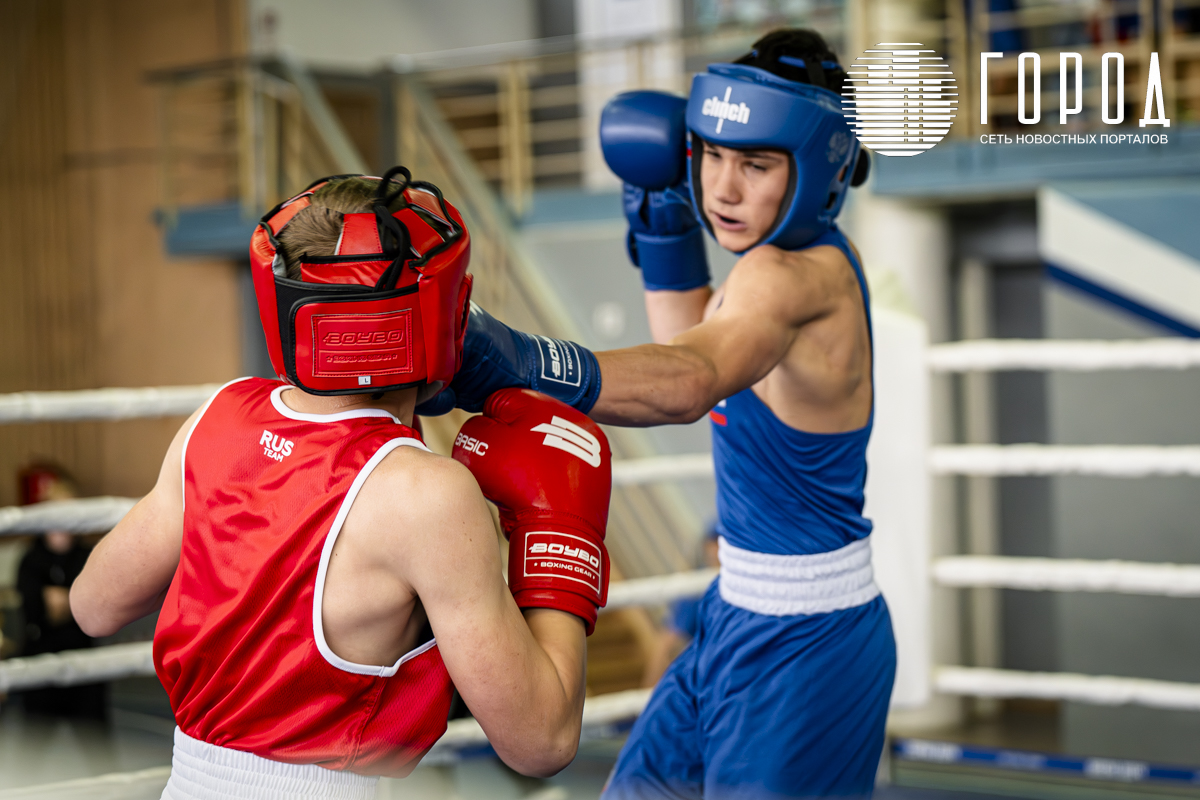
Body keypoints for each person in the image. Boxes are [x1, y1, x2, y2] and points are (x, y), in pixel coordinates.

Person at [418, 29, 897, 800]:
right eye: (711, 156)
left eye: (756, 164)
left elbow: (689, 381)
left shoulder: (793, 279)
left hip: (807, 642)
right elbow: (689, 344)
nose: (723, 189)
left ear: (820, 171)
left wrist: (518, 361)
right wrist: (664, 227)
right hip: (735, 612)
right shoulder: (764, 272)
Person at [70, 168, 614, 798]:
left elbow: (93, 605)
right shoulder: (427, 495)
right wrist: (559, 535)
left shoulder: (217, 418)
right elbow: (542, 741)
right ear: (446, 314)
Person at [15, 464, 107, 722]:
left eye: (70, 514)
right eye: (58, 513)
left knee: (94, 739)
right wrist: (76, 599)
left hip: (84, 664)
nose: (64, 523)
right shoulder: (30, 560)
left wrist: (62, 600)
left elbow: (99, 610)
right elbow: (37, 612)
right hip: (40, 663)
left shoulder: (91, 555)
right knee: (35, 740)